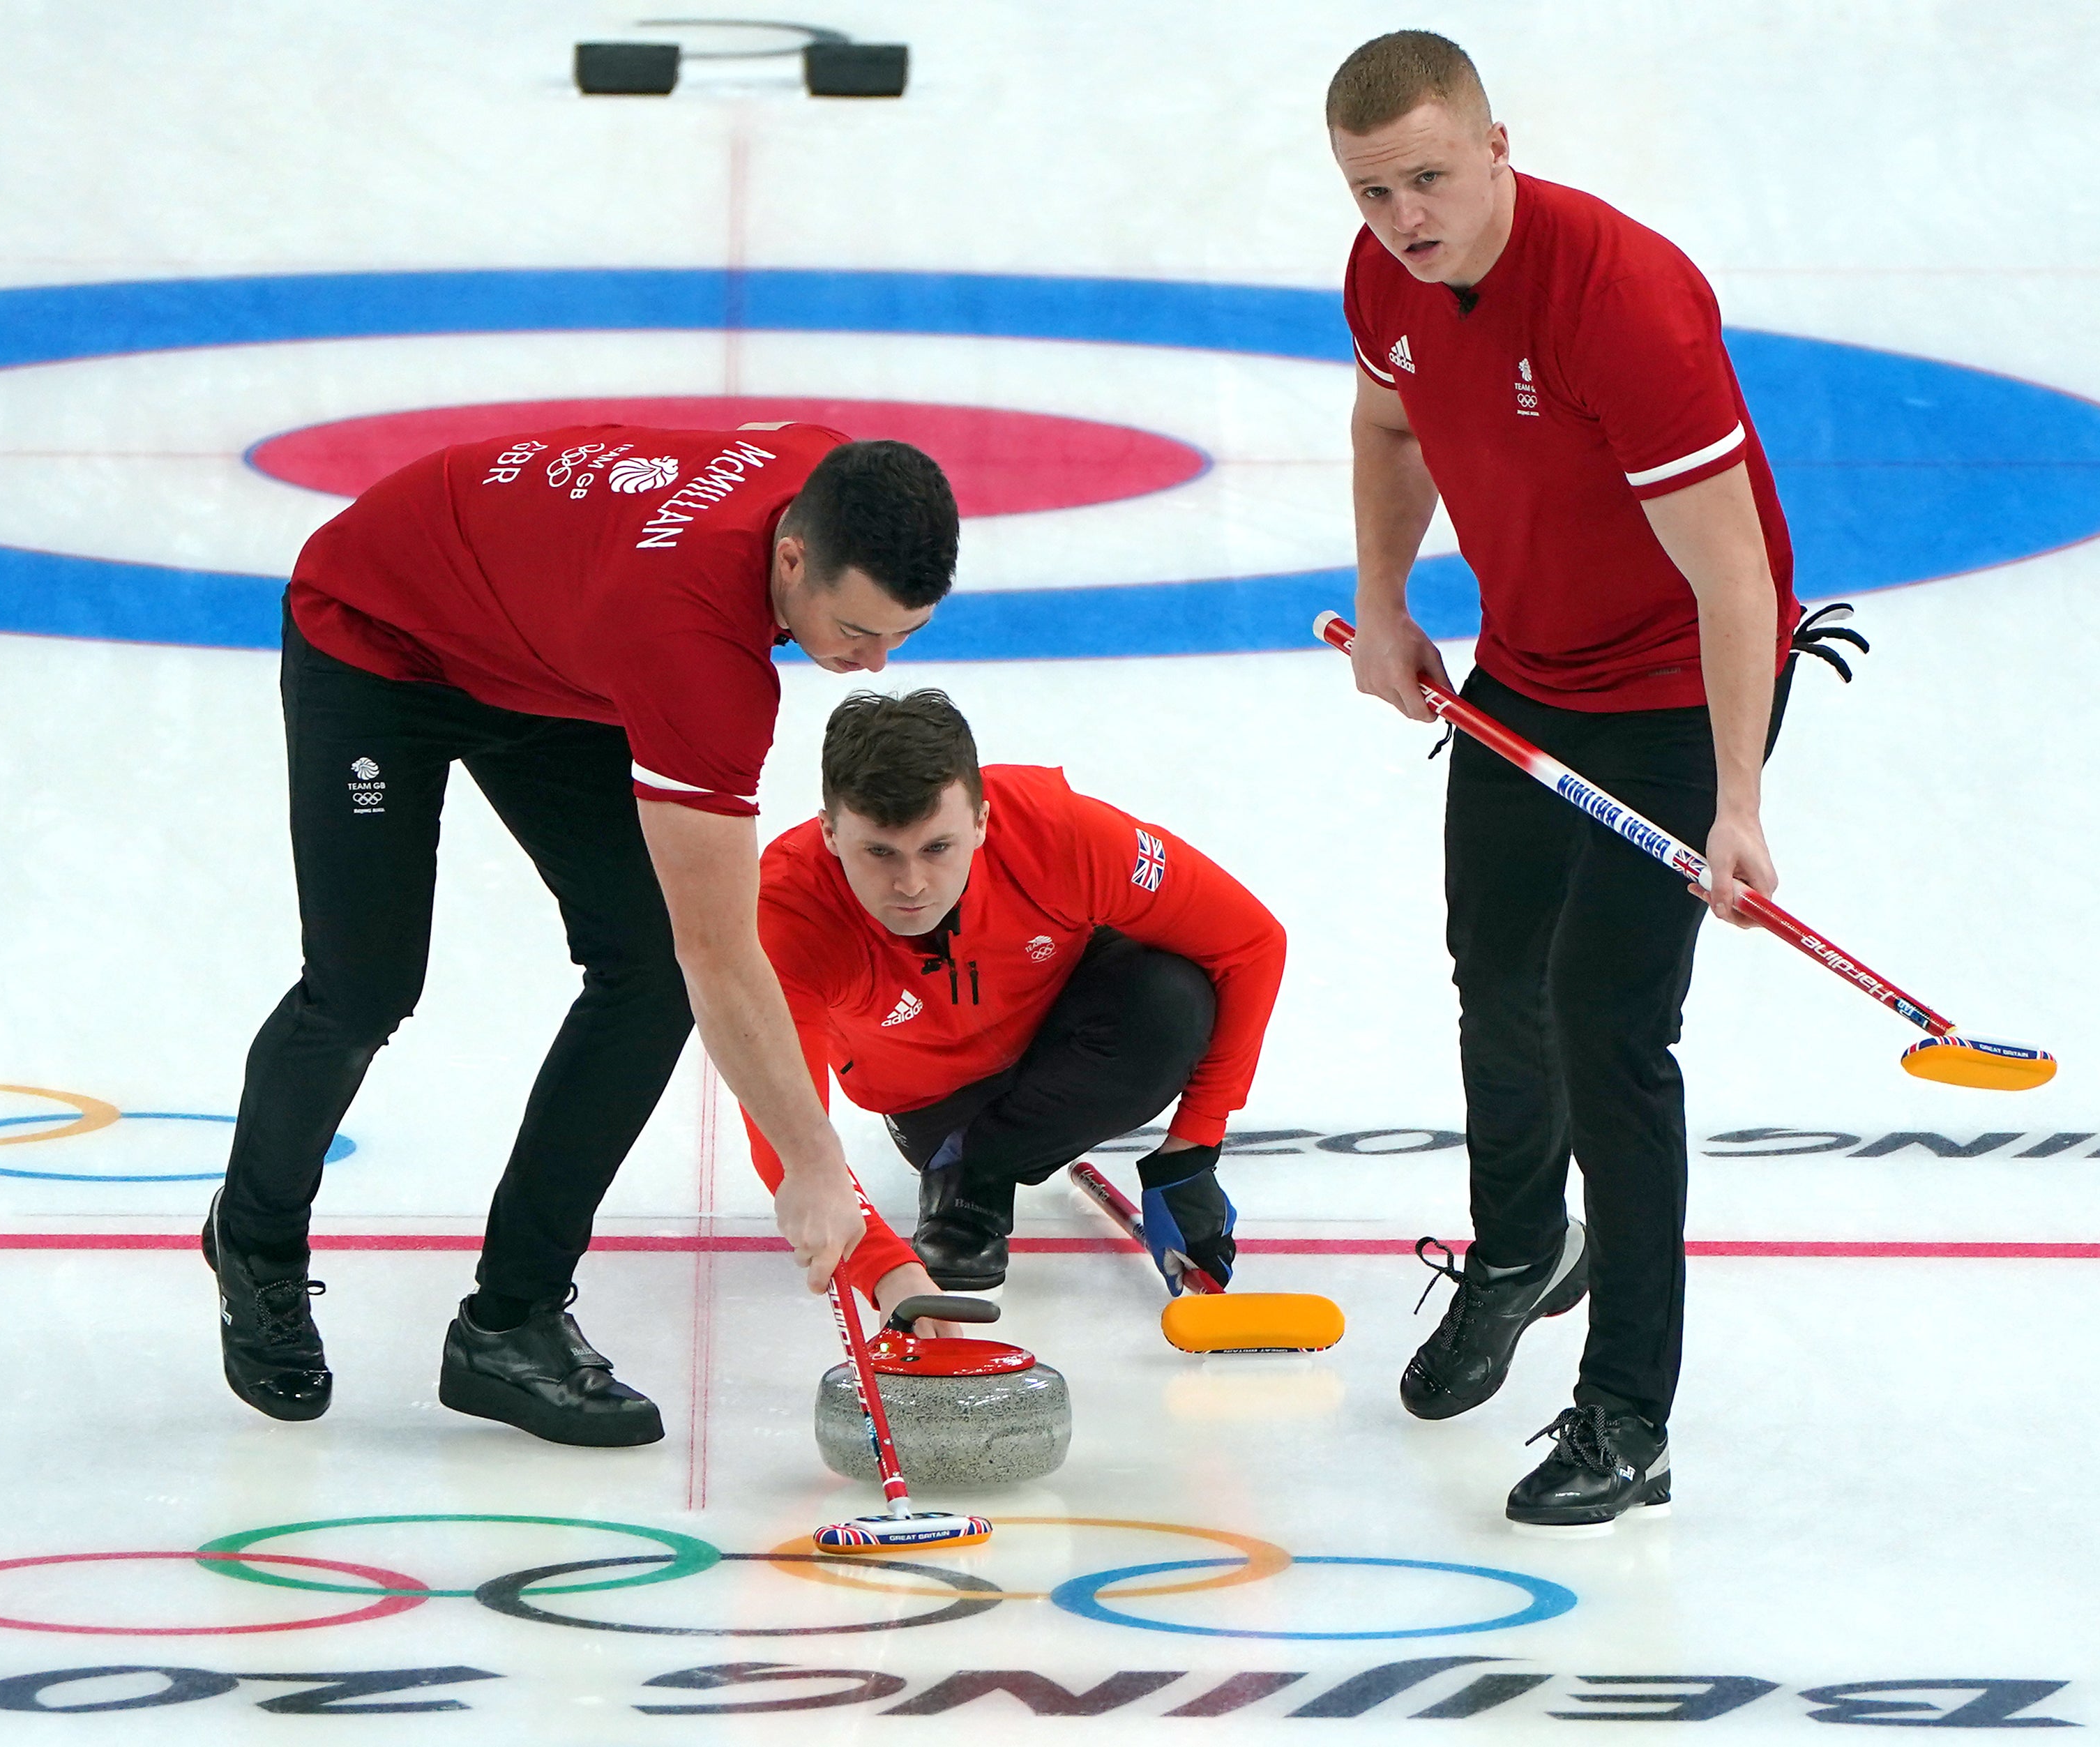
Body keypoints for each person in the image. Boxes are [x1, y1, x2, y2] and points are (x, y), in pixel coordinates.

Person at [206, 421, 958, 1447]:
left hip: (544, 647)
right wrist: (816, 1166)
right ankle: (252, 1243)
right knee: (363, 985)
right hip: (380, 638)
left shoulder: (829, 475)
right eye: (855, 630)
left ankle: (509, 1323)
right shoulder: (694, 655)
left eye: (902, 637)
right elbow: (723, 953)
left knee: (641, 967)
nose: (871, 666)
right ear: (792, 554)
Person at [1326, 30, 1827, 1529]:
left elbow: (1736, 579)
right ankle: (1517, 1249)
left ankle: (1625, 1415)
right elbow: (1389, 419)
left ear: (1496, 146)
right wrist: (1389, 597)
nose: (1404, 216)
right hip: (1527, 665)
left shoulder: (1624, 303)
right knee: (1493, 972)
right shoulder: (1386, 279)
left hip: (1681, 692)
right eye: (1369, 192)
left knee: (1610, 1026)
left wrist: (1736, 802)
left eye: (1426, 175)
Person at [741, 690, 1287, 1313]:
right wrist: (887, 1269)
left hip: (1067, 1016)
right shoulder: (790, 913)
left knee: (1172, 1001)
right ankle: (965, 1167)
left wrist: (1193, 1148)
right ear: (830, 833)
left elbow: (1250, 945)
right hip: (933, 1101)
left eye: (938, 847)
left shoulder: (1055, 833)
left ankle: (980, 1164)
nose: (912, 885)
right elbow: (782, 1122)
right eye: (880, 852)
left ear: (980, 821)